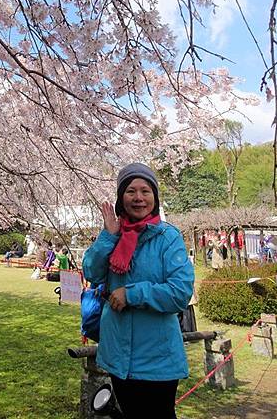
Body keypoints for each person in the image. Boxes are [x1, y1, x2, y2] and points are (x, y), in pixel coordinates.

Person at [82, 162, 194, 419]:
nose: (139, 198)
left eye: (146, 191)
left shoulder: (168, 238)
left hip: (157, 357)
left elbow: (180, 293)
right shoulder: (113, 235)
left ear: (155, 197)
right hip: (117, 355)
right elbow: (91, 272)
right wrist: (108, 238)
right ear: (121, 198)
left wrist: (131, 294)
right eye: (131, 191)